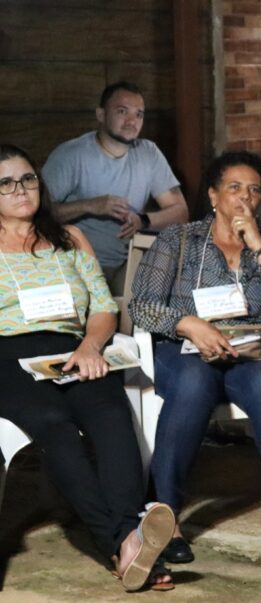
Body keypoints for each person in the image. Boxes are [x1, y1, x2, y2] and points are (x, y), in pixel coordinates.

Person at [128, 151, 261, 572]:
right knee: (193, 383)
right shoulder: (178, 240)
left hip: (255, 354)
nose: (244, 197)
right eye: (234, 187)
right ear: (214, 195)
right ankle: (164, 514)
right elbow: (141, 305)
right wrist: (187, 324)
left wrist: (259, 247)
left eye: (254, 190)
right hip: (186, 350)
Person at [0, 143, 175, 591]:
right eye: (6, 183)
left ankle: (128, 542)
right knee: (54, 423)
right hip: (8, 353)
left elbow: (102, 306)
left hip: (75, 349)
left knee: (111, 414)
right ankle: (122, 543)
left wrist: (92, 346)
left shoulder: (69, 238)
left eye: (27, 179)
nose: (20, 190)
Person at [42, 82, 188, 294]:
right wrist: (89, 205)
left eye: (139, 114)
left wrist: (143, 220)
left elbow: (180, 212)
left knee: (159, 288)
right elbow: (37, 214)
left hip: (127, 262)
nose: (132, 121)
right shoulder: (71, 155)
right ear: (101, 115)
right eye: (122, 111)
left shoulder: (148, 152)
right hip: (76, 263)